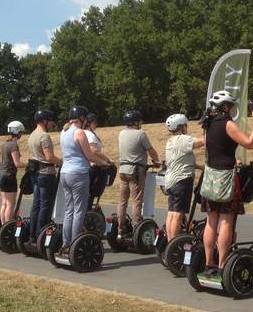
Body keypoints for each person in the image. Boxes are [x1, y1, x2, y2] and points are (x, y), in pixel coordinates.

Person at [200, 91, 253, 280]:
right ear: (226, 106)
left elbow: (217, 148)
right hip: (225, 178)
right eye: (232, 106)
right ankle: (222, 265)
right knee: (226, 220)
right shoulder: (228, 124)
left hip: (210, 177)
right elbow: (250, 143)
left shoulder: (208, 123)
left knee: (211, 222)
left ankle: (208, 263)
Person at [59, 106, 110, 255]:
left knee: (69, 209)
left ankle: (66, 243)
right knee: (79, 210)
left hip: (65, 173)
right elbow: (89, 155)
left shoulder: (64, 131)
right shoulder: (79, 133)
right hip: (78, 173)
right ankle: (76, 243)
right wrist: (103, 163)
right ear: (82, 118)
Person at [117, 109, 160, 239]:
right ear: (135, 122)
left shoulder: (121, 133)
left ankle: (121, 228)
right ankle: (137, 228)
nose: (141, 122)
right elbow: (151, 151)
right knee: (136, 201)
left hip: (123, 170)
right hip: (135, 171)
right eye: (140, 120)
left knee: (122, 201)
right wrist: (156, 161)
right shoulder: (140, 134)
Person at [163, 114, 204, 242]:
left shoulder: (171, 141)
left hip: (171, 181)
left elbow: (180, 160)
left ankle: (171, 242)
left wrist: (198, 166)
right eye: (185, 125)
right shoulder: (182, 139)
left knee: (172, 213)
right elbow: (202, 142)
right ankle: (174, 243)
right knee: (178, 215)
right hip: (182, 180)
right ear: (181, 126)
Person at [28, 110, 62, 243]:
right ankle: (40, 233)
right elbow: (49, 157)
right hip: (46, 174)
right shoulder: (44, 136)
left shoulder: (32, 135)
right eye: (50, 120)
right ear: (44, 121)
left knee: (36, 204)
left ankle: (32, 235)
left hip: (35, 174)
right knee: (45, 205)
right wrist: (61, 162)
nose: (52, 123)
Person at [0, 121, 26, 223]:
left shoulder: (5, 144)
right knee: (10, 204)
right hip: (9, 176)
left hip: (2, 175)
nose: (21, 134)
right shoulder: (14, 145)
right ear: (18, 132)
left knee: (4, 203)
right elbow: (17, 163)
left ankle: (3, 227)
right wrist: (29, 164)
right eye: (21, 132)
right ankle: (8, 228)